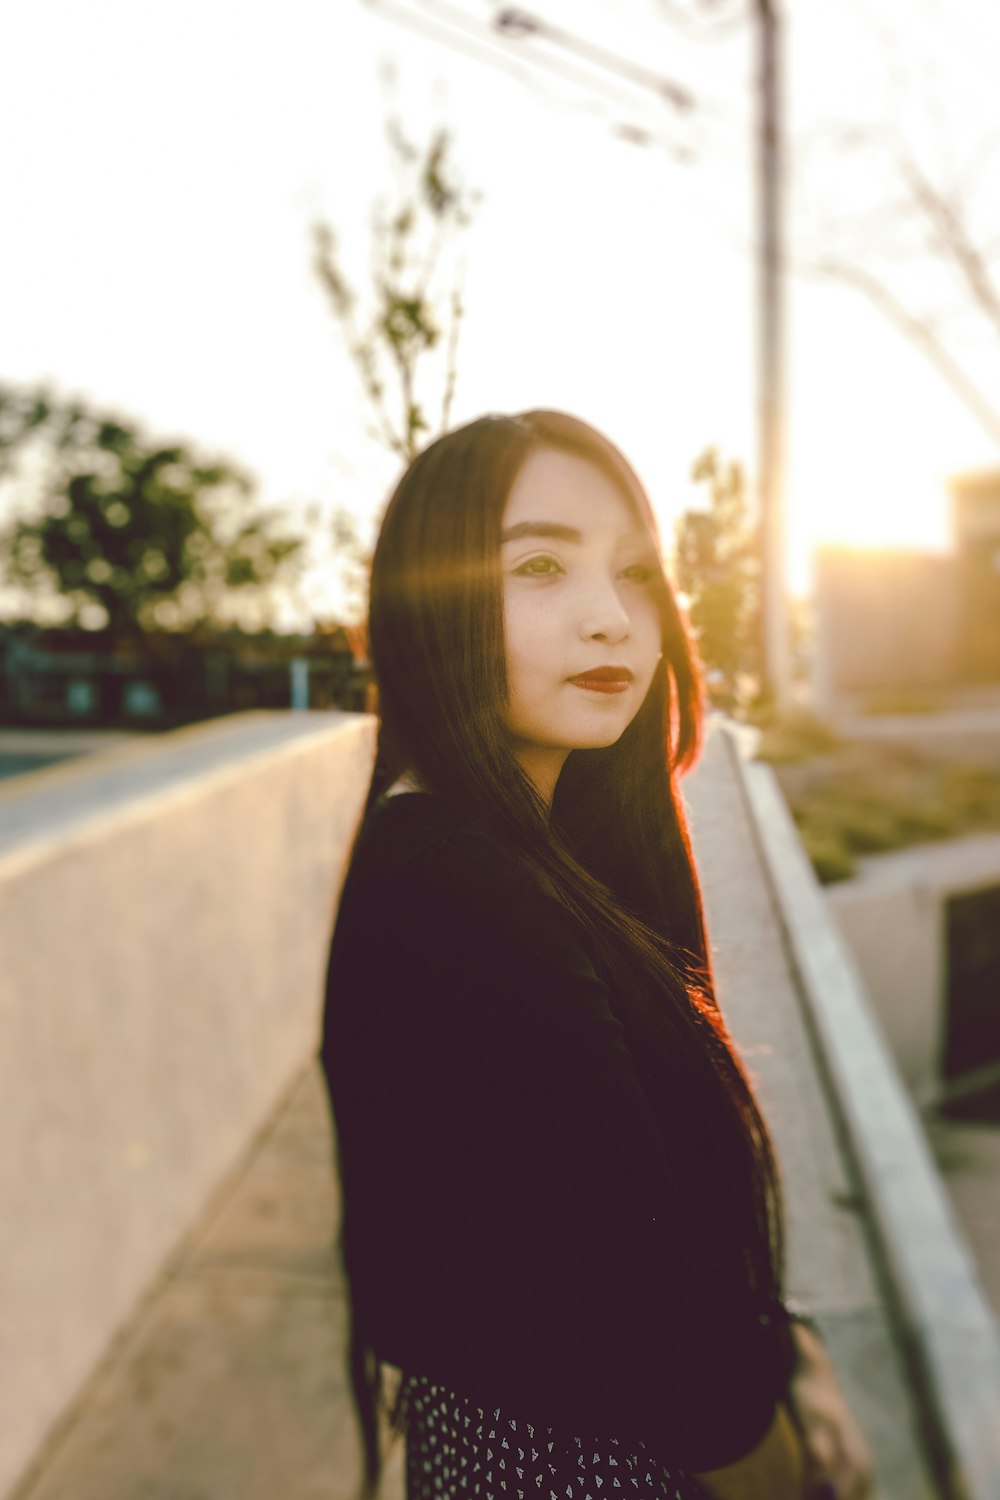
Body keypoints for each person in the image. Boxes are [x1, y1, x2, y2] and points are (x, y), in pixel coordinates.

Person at [319, 411, 872, 1500]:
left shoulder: (542, 856)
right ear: (428, 607)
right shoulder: (461, 895)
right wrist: (773, 1465)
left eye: (632, 575)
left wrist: (786, 1346)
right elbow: (639, 1303)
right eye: (538, 567)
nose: (611, 621)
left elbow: (652, 1206)